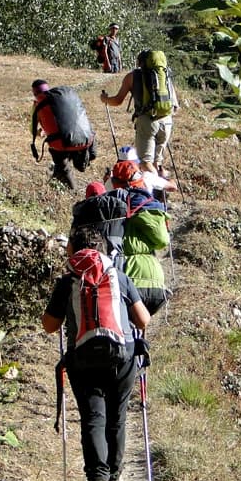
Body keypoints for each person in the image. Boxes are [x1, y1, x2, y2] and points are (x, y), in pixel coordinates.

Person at [43, 226, 150, 481]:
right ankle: (114, 478)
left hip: (83, 357)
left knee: (93, 418)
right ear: (103, 249)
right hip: (122, 355)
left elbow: (50, 325)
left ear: (72, 250)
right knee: (117, 417)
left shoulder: (67, 282)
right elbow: (143, 320)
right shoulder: (120, 277)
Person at [99, 51, 178, 175]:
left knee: (145, 164)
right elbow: (175, 105)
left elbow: (118, 101)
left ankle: (158, 184)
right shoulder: (164, 74)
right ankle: (162, 184)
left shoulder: (132, 76)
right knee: (157, 163)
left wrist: (105, 99)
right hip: (167, 121)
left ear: (140, 62)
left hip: (147, 122)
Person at [110, 160, 171, 316]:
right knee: (141, 324)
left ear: (115, 183)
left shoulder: (109, 205)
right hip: (154, 280)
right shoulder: (151, 206)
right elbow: (163, 240)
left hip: (124, 277)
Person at [31, 79, 96, 189]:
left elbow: (32, 130)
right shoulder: (62, 98)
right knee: (76, 147)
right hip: (85, 139)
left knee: (62, 164)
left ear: (34, 93)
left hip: (61, 144)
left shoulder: (38, 104)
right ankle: (84, 158)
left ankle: (72, 189)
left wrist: (40, 132)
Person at [103, 146, 177, 201]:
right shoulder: (147, 177)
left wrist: (106, 180)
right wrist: (163, 176)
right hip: (144, 213)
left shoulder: (111, 181)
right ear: (136, 164)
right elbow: (173, 187)